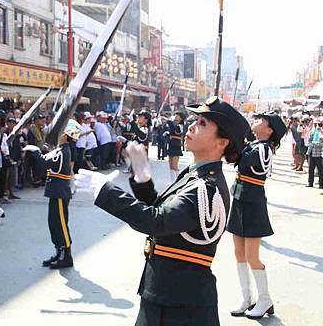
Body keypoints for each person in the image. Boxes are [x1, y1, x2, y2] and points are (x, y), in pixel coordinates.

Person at [76, 96, 250, 326]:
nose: (192, 125)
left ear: (222, 142)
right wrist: (143, 180)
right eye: (195, 120)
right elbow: (167, 215)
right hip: (168, 293)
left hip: (182, 305)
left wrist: (106, 192)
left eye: (203, 124)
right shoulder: (193, 175)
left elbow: (156, 222)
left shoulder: (206, 188)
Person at [227, 112, 286, 319]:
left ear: (269, 131)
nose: (256, 121)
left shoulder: (264, 149)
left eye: (261, 120)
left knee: (252, 256)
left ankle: (264, 298)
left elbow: (241, 159)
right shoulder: (254, 145)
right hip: (240, 198)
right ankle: (247, 297)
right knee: (239, 253)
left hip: (253, 202)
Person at [25, 119, 81, 269]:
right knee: (54, 224)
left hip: (59, 192)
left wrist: (35, 151)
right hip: (56, 191)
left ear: (65, 135)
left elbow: (44, 164)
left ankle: (66, 256)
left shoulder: (63, 151)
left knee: (61, 225)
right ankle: (59, 252)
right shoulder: (61, 150)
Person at [166, 112, 186, 181]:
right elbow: (172, 131)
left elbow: (176, 130)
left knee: (175, 166)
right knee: (170, 165)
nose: (175, 116)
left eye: (177, 115)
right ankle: (172, 181)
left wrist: (169, 120)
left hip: (176, 145)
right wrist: (167, 133)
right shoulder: (175, 124)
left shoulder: (180, 125)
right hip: (171, 144)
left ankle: (178, 180)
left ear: (181, 118)